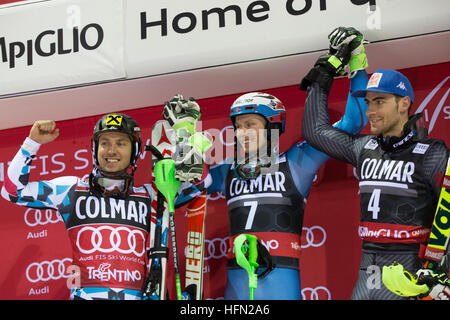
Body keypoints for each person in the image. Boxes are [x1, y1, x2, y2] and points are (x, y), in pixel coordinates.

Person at [167, 27, 370, 300]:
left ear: (273, 125)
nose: (241, 133)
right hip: (236, 286)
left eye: (250, 124)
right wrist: (184, 134)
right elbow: (187, 188)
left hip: (281, 282)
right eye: (237, 127)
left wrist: (356, 58)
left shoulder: (297, 161)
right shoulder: (228, 170)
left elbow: (353, 123)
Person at [300, 28, 450, 299]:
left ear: (404, 103)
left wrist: (441, 272)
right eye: (368, 102)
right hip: (368, 264)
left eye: (379, 102)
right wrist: (324, 72)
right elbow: (315, 131)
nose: (370, 111)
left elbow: (448, 213)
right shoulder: (363, 147)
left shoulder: (432, 152)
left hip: (411, 267)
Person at [1, 108, 202, 300]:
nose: (111, 150)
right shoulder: (72, 190)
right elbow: (12, 190)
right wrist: (32, 143)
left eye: (121, 143)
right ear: (94, 148)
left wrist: (186, 133)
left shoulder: (152, 197)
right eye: (104, 143)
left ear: (135, 151)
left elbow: (200, 183)